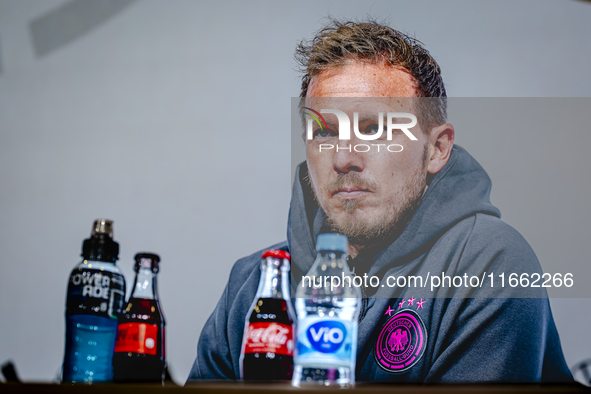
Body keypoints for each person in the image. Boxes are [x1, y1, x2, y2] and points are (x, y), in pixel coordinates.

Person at [187, 20, 572, 383]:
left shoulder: (491, 263)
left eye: (373, 129)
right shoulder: (253, 282)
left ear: (437, 149)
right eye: (324, 132)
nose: (343, 158)